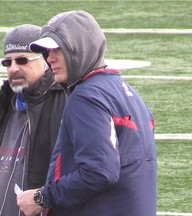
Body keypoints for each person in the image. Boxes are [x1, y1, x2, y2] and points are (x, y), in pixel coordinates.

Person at [17, 10, 157, 216]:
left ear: (80, 47)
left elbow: (99, 172)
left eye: (57, 49)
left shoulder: (86, 97)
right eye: (46, 52)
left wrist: (42, 197)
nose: (50, 59)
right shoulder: (124, 91)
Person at [0, 24, 66, 216]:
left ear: (45, 60)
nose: (13, 69)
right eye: (7, 63)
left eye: (22, 60)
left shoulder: (64, 104)